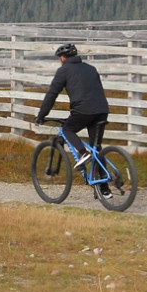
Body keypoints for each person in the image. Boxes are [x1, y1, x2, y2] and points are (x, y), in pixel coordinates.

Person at [35, 43, 112, 198]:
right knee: (96, 147)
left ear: (63, 58)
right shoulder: (91, 68)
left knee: (67, 130)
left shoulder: (63, 71)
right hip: (102, 110)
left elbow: (51, 95)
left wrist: (41, 115)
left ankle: (83, 154)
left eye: (59, 58)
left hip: (83, 110)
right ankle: (104, 188)